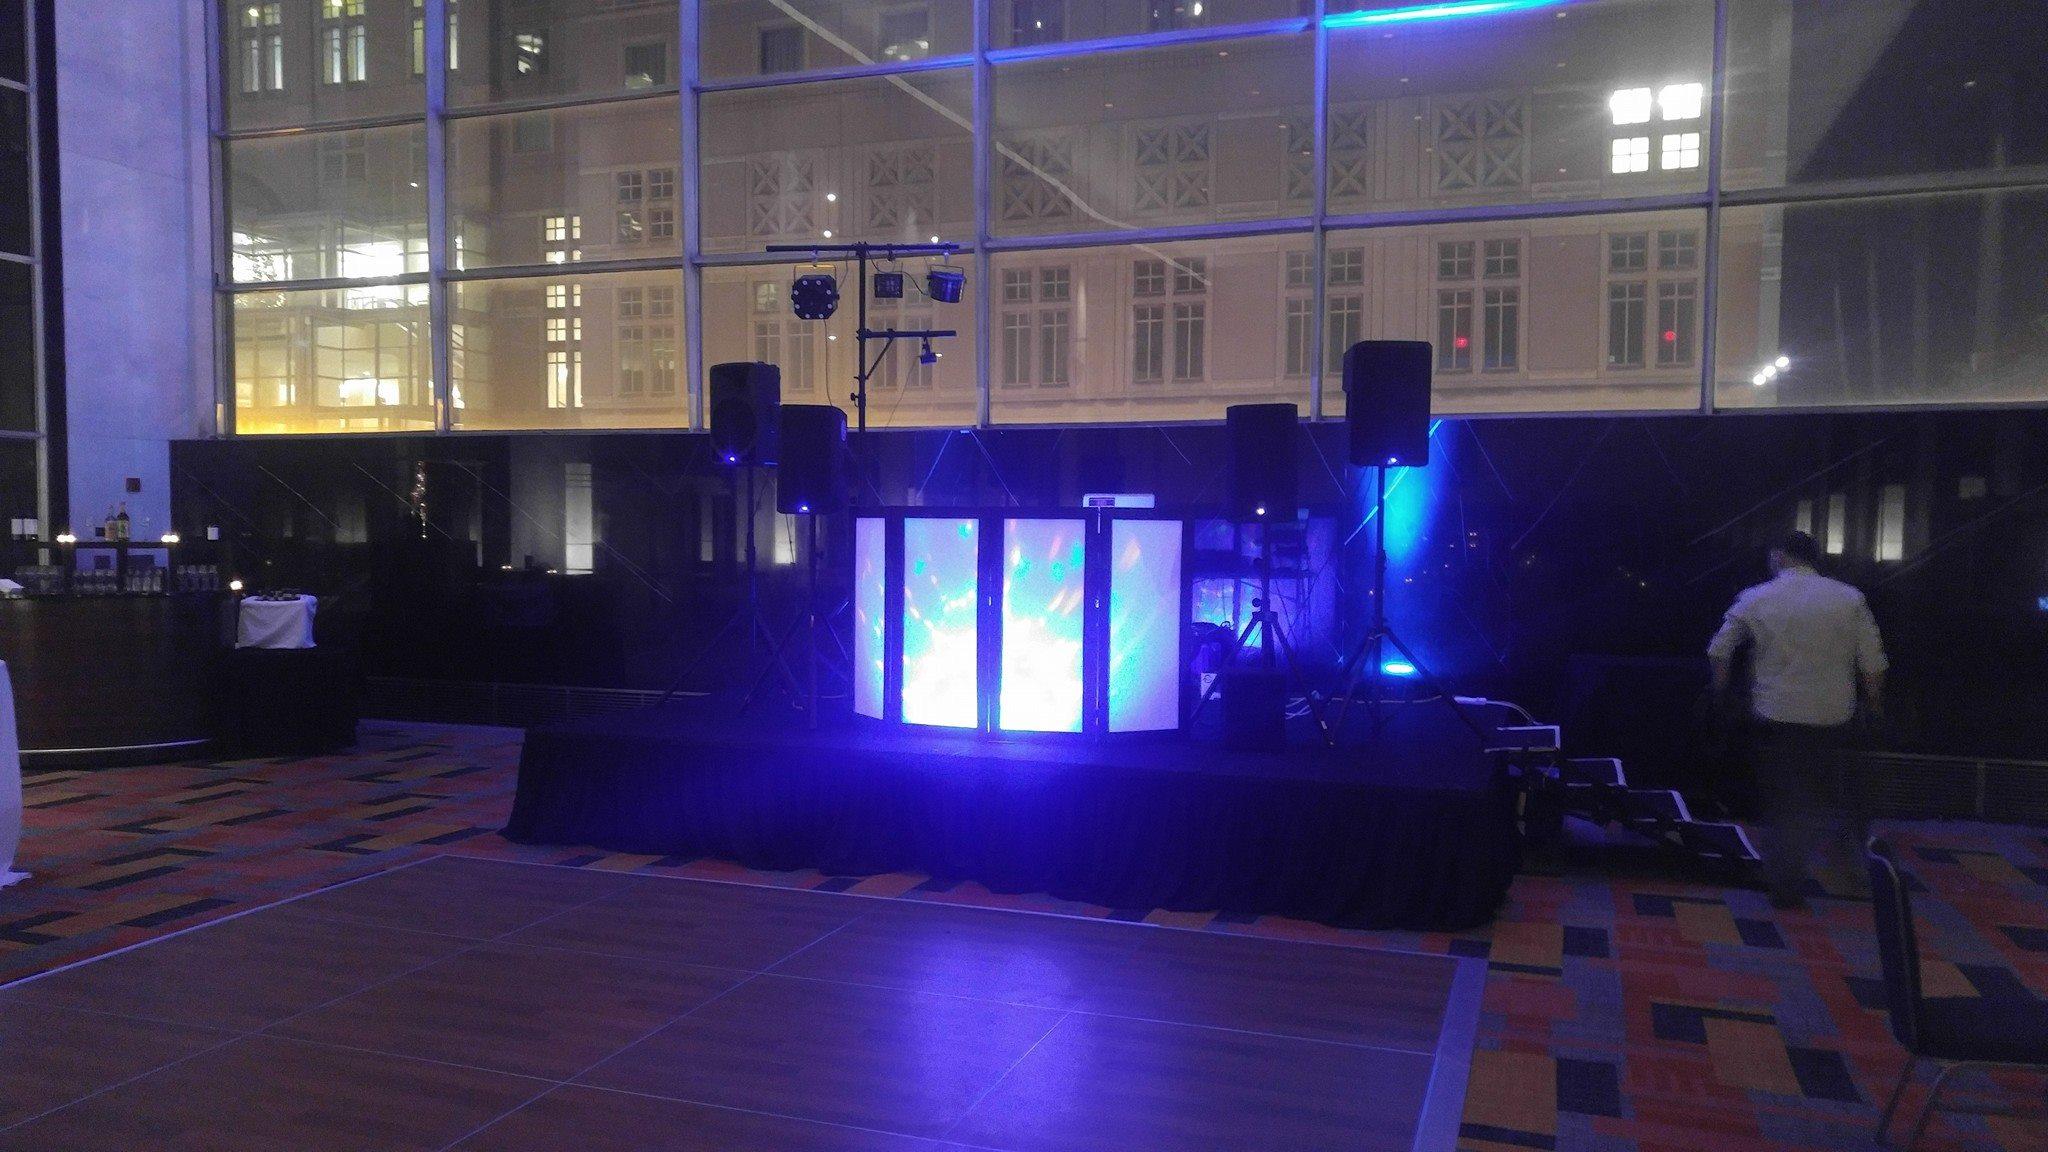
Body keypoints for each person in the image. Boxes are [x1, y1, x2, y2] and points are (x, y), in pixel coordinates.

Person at [1708, 530, 1887, 909]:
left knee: (1786, 800)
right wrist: (1873, 705)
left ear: (1778, 556)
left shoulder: (1756, 597)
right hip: (1834, 716)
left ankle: (1786, 882)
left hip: (1775, 714)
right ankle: (1852, 865)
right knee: (1838, 794)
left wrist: (1721, 691)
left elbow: (1719, 650)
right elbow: (1872, 664)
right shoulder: (1849, 599)